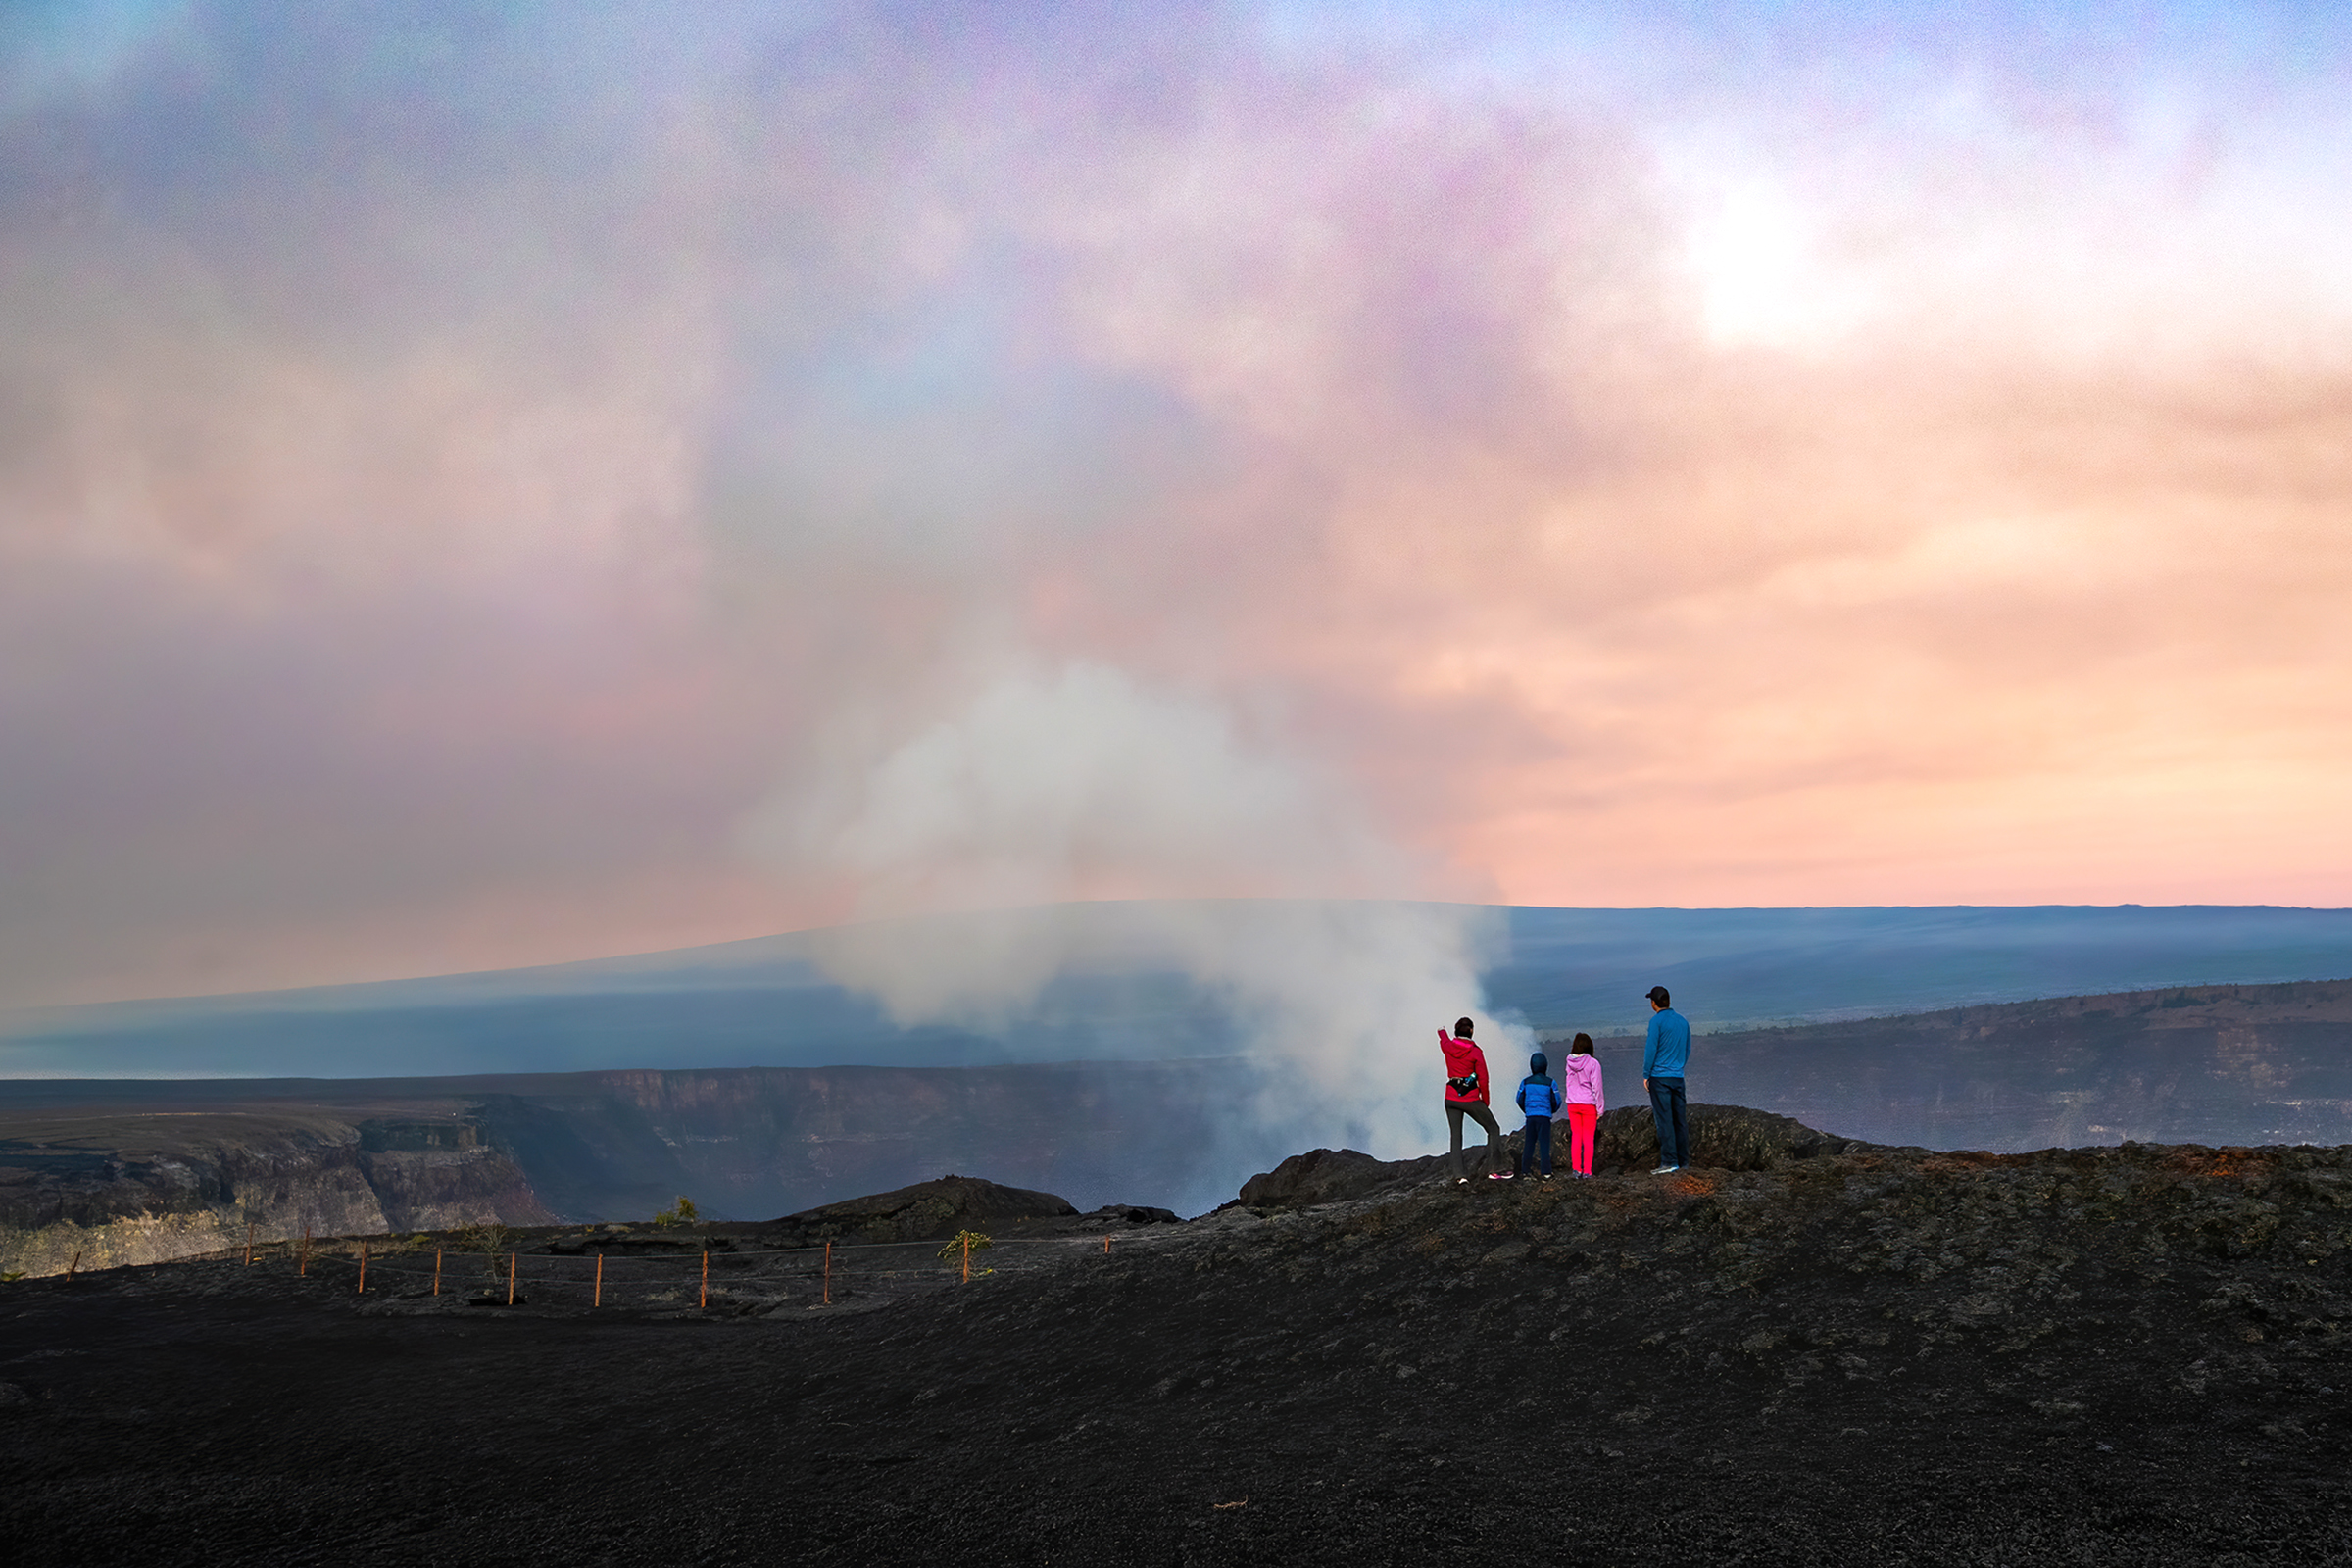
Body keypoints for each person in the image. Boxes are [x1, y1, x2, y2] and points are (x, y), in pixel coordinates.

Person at [1439, 1017, 1506, 1182]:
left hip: (1450, 1097)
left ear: (1456, 1031)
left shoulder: (1447, 1047)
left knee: (1456, 1136)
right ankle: (1494, 1169)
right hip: (1470, 1098)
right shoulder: (1476, 1052)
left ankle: (1460, 1176)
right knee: (1493, 1128)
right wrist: (1485, 1101)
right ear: (1471, 1031)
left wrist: (1442, 1031)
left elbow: (1444, 1039)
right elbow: (1483, 1078)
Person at [1642, 985, 1690, 1174]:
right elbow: (1687, 1049)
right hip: (1677, 1077)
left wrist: (1647, 1074)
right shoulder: (1682, 1022)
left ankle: (1669, 1161)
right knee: (1680, 1120)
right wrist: (1678, 1066)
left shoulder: (1656, 1022)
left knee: (1664, 1120)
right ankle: (1683, 1161)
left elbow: (1651, 1050)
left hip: (1660, 1078)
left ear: (1654, 1003)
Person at [1558, 1032, 1604, 1178]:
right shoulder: (1593, 1063)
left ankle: (1576, 1169)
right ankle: (1587, 1171)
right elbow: (1597, 1087)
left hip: (1572, 1104)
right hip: (1588, 1104)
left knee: (1576, 1137)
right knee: (1588, 1138)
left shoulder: (1569, 1062)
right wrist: (1600, 1108)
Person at [1515, 1052, 1559, 1180]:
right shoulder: (1551, 1082)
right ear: (1545, 1066)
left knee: (1529, 1144)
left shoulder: (1525, 1082)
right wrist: (1551, 1110)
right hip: (1544, 1117)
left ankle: (1525, 1171)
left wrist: (1527, 1110)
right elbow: (1557, 1100)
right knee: (1544, 1144)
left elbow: (1519, 1099)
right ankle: (1546, 1172)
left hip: (1530, 1117)